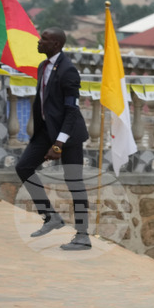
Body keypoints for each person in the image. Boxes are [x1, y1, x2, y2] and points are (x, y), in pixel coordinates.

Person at [16, 28, 90, 250]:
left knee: (74, 181)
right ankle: (51, 217)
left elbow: (71, 111)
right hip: (46, 132)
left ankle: (83, 235)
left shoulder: (69, 71)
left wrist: (59, 144)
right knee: (23, 167)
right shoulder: (43, 66)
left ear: (56, 44)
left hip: (69, 136)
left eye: (44, 40)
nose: (39, 42)